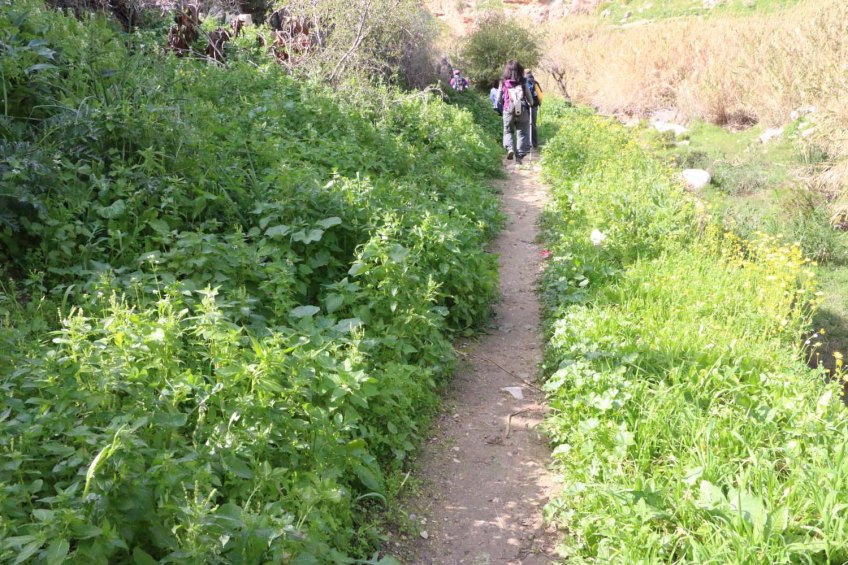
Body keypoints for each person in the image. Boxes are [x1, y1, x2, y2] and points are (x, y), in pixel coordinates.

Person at [498, 60, 533, 162]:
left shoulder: (503, 82)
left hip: (508, 107)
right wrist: (531, 103)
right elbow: (529, 96)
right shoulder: (523, 81)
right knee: (522, 132)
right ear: (520, 70)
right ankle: (519, 157)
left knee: (508, 130)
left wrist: (503, 105)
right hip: (522, 107)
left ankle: (510, 148)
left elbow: (499, 99)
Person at [524, 69, 543, 148]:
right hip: (534, 106)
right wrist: (539, 104)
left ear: (525, 74)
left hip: (525, 106)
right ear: (531, 74)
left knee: (526, 124)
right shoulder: (535, 83)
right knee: (533, 124)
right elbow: (540, 96)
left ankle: (526, 143)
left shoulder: (523, 82)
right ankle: (534, 143)